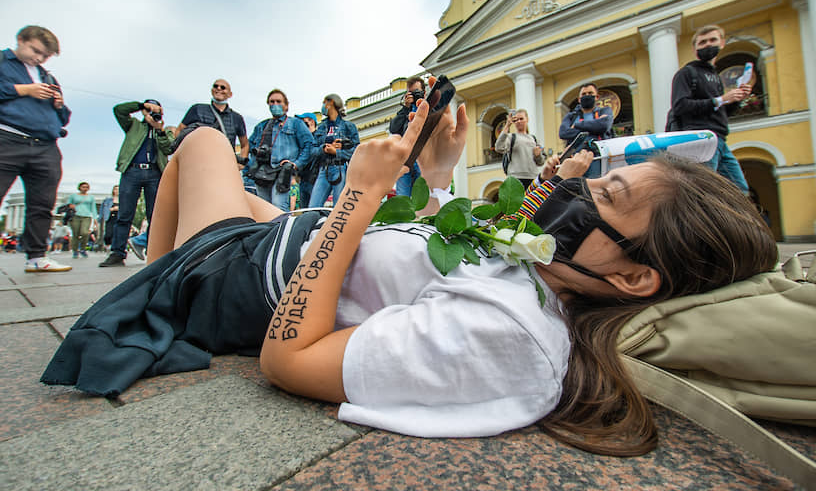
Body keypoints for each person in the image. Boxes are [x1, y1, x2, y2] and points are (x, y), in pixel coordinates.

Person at [43, 81, 776, 457]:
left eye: (604, 195)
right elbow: (431, 262)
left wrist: (360, 194)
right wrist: (436, 173)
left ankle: (164, 288)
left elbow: (288, 358)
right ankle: (160, 280)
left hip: (252, 276)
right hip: (296, 237)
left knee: (200, 144)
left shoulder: (513, 338)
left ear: (635, 278)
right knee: (210, 164)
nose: (577, 185)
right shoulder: (556, 274)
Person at [0, 25, 72, 272]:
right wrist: (22, 89)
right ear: (21, 39)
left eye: (44, 56)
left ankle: (36, 257)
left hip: (45, 145)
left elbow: (63, 118)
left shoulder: (47, 76)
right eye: (36, 51)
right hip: (7, 138)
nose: (39, 58)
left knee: (42, 203)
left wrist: (59, 105)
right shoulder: (3, 62)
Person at [669, 24, 751, 193]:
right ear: (695, 49)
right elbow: (680, 106)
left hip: (720, 139)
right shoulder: (687, 73)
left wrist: (735, 100)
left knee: (740, 190)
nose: (707, 45)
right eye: (702, 42)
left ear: (722, 43)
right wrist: (720, 100)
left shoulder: (716, 77)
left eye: (712, 40)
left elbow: (720, 111)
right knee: (704, 190)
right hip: (700, 138)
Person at [99, 100, 174, 267]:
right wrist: (141, 106)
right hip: (132, 171)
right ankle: (117, 253)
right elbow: (118, 109)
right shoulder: (133, 125)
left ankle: (155, 252)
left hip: (154, 173)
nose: (152, 113)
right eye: (149, 109)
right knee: (124, 214)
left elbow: (169, 148)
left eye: (156, 109)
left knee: (154, 215)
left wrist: (159, 129)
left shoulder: (164, 130)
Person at [244, 89, 313, 211]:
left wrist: (296, 164)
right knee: (263, 209)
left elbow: (309, 145)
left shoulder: (295, 123)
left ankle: (281, 230)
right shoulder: (262, 126)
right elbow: (248, 147)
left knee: (278, 207)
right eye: (271, 102)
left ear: (286, 106)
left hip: (282, 171)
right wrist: (249, 169)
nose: (275, 104)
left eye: (278, 101)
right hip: (262, 171)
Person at [174, 79, 248, 162]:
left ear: (230, 94)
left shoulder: (237, 118)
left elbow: (245, 145)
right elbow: (179, 131)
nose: (219, 88)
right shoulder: (197, 109)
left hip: (224, 163)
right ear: (212, 90)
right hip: (197, 160)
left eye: (223, 87)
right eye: (215, 86)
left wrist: (240, 164)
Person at [308, 94, 360, 207]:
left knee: (339, 207)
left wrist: (337, 152)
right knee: (313, 206)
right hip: (323, 169)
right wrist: (324, 149)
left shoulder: (348, 126)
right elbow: (312, 151)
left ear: (330, 102)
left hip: (340, 168)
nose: (323, 106)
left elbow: (357, 150)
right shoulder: (321, 127)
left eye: (324, 102)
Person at [558, 83, 614, 178]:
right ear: (579, 99)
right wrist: (594, 128)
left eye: (590, 93)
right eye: (584, 94)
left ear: (597, 97)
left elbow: (603, 125)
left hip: (599, 158)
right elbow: (563, 133)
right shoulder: (571, 116)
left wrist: (577, 125)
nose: (587, 96)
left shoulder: (605, 111)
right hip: (575, 161)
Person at [389, 76, 425, 196]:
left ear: (424, 93)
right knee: (402, 198)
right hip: (405, 160)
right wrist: (405, 108)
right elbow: (393, 129)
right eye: (410, 93)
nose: (413, 95)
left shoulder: (430, 107)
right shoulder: (405, 112)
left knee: (422, 198)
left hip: (422, 158)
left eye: (416, 92)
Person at [495, 108, 545, 189]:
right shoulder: (511, 137)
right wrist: (507, 125)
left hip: (532, 176)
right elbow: (498, 147)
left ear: (527, 119)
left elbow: (541, 162)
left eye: (521, 119)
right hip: (515, 177)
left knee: (531, 201)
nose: (518, 121)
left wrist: (538, 155)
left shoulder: (534, 139)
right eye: (516, 120)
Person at [295, 112, 319, 208]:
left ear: (311, 122)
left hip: (315, 179)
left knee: (314, 209)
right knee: (304, 209)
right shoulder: (301, 139)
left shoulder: (318, 137)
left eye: (303, 121)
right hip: (303, 179)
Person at [66, 181, 96, 258]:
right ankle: (75, 250)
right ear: (79, 188)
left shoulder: (91, 197)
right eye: (83, 187)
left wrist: (95, 218)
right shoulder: (73, 196)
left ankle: (83, 249)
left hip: (87, 216)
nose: (85, 189)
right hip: (75, 216)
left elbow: (93, 208)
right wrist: (70, 206)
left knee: (85, 232)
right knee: (75, 234)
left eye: (86, 187)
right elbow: (68, 205)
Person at [98, 185, 119, 251]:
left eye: (118, 189)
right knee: (108, 233)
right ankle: (108, 245)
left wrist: (117, 208)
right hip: (109, 218)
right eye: (115, 189)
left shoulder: (124, 200)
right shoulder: (108, 200)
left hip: (119, 217)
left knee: (117, 233)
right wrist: (100, 218)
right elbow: (102, 209)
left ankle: (115, 247)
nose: (117, 191)